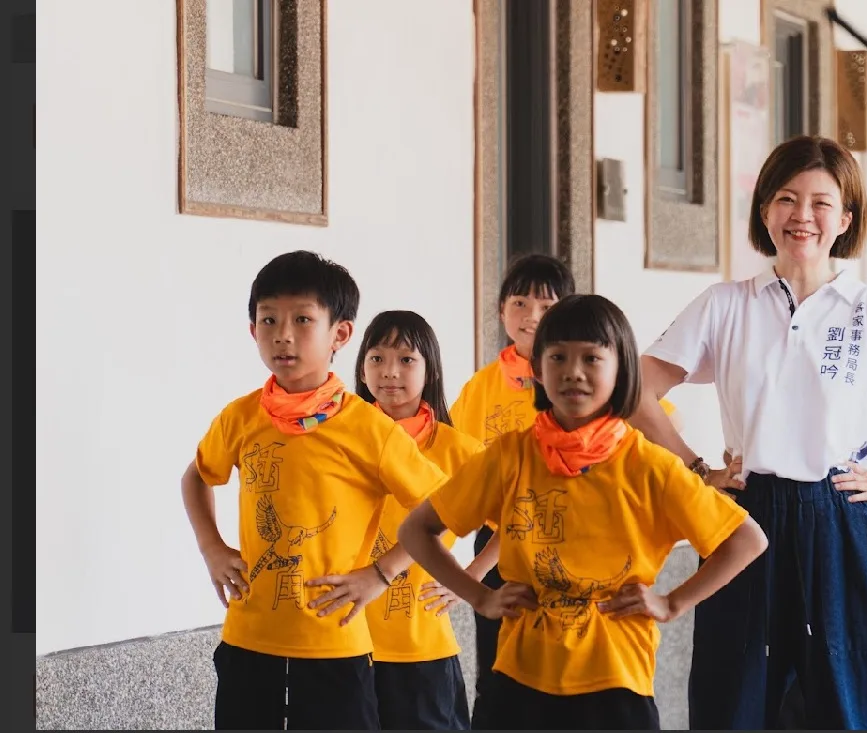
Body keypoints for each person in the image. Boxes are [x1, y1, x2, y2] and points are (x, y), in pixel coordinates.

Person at [629, 135, 867, 730]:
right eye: (786, 199)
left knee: (856, 694)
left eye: (820, 202)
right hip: (747, 514)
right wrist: (693, 468)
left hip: (843, 513)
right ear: (764, 210)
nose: (802, 216)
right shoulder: (724, 304)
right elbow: (635, 389)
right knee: (737, 692)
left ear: (846, 218)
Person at [399, 294, 769, 730]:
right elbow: (417, 530)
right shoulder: (511, 456)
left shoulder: (650, 466)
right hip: (520, 678)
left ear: (622, 370)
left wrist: (672, 602)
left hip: (615, 682)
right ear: (537, 369)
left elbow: (747, 540)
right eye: (558, 357)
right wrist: (480, 596)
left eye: (592, 358)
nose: (573, 372)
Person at [180, 251, 450, 730]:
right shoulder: (241, 417)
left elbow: (441, 506)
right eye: (269, 320)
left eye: (303, 319)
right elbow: (198, 475)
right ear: (252, 330)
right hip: (249, 641)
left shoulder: (368, 427)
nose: (283, 334)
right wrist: (212, 547)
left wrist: (382, 575)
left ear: (339, 335)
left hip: (336, 647)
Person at [354, 310, 501, 730]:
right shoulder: (340, 438)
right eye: (377, 358)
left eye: (406, 359)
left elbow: (518, 519)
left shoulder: (458, 450)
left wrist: (471, 578)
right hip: (344, 645)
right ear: (361, 370)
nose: (389, 372)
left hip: (421, 649)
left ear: (430, 370)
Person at [448, 253, 576, 712]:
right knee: (498, 678)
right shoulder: (480, 387)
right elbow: (453, 475)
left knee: (564, 681)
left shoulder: (578, 381)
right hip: (494, 547)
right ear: (501, 310)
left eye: (546, 305)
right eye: (519, 302)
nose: (531, 317)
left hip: (565, 543)